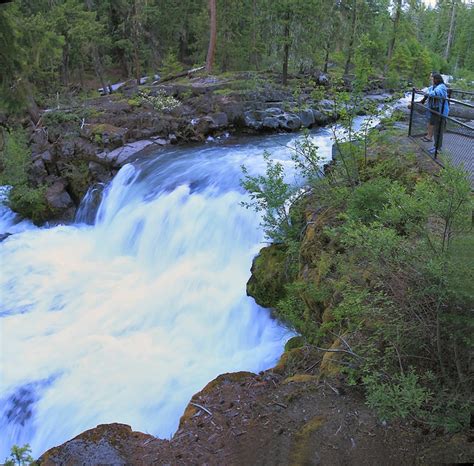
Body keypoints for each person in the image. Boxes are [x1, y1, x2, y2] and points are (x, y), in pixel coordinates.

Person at [425, 73, 449, 154]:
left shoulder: (441, 86)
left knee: (439, 131)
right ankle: (436, 147)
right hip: (436, 111)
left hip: (441, 112)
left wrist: (430, 91)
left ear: (436, 79)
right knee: (436, 130)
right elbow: (428, 90)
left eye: (433, 79)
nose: (432, 81)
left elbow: (433, 93)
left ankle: (438, 149)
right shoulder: (435, 86)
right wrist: (428, 91)